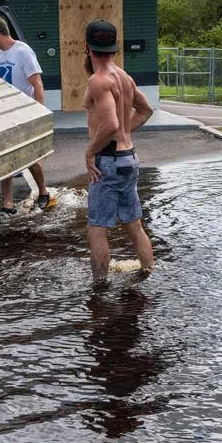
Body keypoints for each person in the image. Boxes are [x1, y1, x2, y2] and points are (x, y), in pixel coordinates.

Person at [82, 19, 154, 281]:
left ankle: (99, 291)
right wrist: (125, 132)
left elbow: (111, 124)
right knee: (134, 226)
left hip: (108, 161)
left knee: (97, 229)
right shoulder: (124, 77)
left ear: (87, 47)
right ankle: (148, 276)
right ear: (115, 48)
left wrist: (90, 152)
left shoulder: (98, 81)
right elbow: (146, 111)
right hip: (129, 158)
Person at [0, 15, 51, 213]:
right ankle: (7, 203)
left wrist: (38, 113)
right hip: (6, 112)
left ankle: (43, 192)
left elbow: (37, 84)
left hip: (25, 112)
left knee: (29, 157)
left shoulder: (23, 52)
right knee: (6, 158)